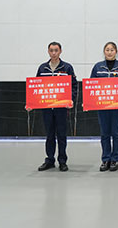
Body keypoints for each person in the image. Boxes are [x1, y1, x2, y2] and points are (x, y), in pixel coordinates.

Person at [36, 41, 77, 172]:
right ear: (48, 52)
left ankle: (62, 161)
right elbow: (36, 87)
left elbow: (74, 86)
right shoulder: (42, 68)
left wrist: (71, 100)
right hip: (47, 108)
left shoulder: (67, 68)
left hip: (61, 108)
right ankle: (49, 160)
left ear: (60, 51)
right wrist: (32, 103)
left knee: (61, 135)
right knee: (49, 135)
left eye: (56, 50)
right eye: (51, 50)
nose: (54, 53)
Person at [90, 42, 118, 172]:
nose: (109, 52)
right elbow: (91, 85)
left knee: (116, 133)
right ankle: (105, 159)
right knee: (104, 133)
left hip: (117, 106)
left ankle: (115, 159)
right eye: (107, 50)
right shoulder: (98, 67)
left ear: (116, 51)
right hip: (102, 106)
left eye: (112, 50)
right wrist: (90, 101)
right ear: (104, 52)